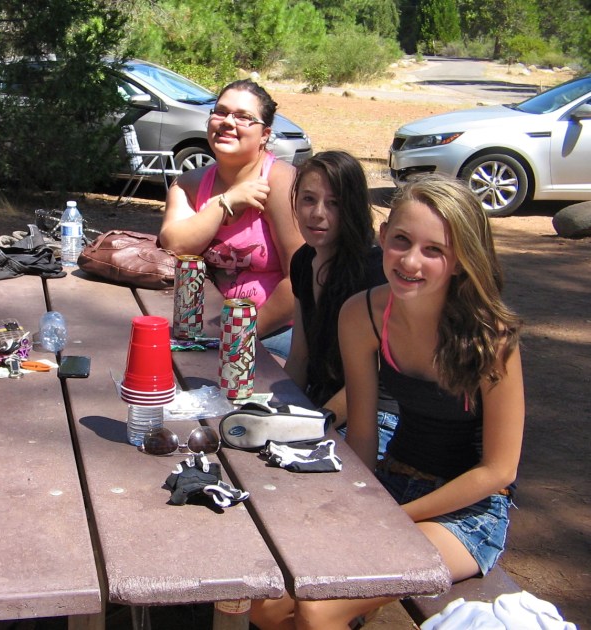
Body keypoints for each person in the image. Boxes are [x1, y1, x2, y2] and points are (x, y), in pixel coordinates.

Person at [251, 174, 525, 629]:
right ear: (382, 237)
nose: (411, 261)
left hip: (466, 510)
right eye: (401, 241)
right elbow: (362, 435)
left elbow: (498, 471)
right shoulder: (364, 313)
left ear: (462, 260)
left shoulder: (491, 339)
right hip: (392, 482)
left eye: (434, 250)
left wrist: (395, 518)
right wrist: (358, 506)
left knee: (319, 609)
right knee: (269, 600)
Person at [159, 79, 304, 359]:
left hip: (273, 332)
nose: (227, 122)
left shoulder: (281, 182)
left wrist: (239, 338)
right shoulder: (188, 184)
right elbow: (175, 246)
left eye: (243, 117)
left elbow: (300, 279)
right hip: (199, 330)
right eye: (221, 112)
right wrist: (225, 202)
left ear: (265, 134)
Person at [282, 150, 398, 455]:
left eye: (333, 203)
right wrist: (278, 412)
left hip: (374, 417)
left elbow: (368, 384)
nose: (318, 213)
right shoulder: (303, 260)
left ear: (353, 208)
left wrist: (311, 425)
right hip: (321, 404)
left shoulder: (373, 271)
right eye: (308, 199)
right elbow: (299, 357)